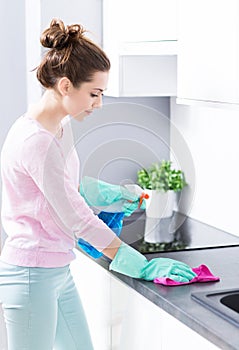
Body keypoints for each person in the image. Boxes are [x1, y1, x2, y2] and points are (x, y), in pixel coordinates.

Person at [0, 19, 196, 350]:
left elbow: (65, 185)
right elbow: (73, 216)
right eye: (94, 94)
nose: (98, 104)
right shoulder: (35, 140)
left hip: (57, 270)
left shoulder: (59, 128)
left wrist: (112, 194)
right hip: (31, 274)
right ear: (65, 86)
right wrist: (136, 261)